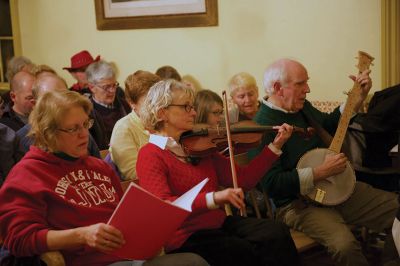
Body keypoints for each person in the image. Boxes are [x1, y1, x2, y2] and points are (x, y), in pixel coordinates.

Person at [0, 89, 209, 266]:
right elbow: (18, 239)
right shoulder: (28, 174)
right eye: (73, 129)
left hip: (130, 255)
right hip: (91, 262)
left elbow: (124, 214)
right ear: (47, 133)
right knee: (192, 262)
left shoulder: (98, 166)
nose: (84, 135)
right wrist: (81, 235)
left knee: (196, 257)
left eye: (85, 124)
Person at [248, 58, 399, 266]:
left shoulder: (301, 108)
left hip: (335, 187)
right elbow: (273, 185)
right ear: (277, 88)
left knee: (396, 211)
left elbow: (328, 125)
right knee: (344, 245)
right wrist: (319, 173)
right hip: (297, 205)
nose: (307, 89)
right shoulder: (260, 128)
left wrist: (358, 97)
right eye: (300, 84)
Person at [136, 79, 299, 266]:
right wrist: (212, 198)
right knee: (241, 251)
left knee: (276, 232)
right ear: (162, 113)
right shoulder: (150, 154)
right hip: (186, 236)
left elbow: (244, 180)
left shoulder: (198, 146)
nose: (194, 112)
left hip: (219, 224)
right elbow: (165, 206)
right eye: (186, 107)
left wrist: (275, 146)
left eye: (193, 107)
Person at [16, 74, 101, 158]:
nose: (62, 104)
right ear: (35, 105)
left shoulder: (81, 129)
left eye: (65, 97)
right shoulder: (23, 139)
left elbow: (98, 164)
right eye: (51, 101)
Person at [109, 70, 161, 181]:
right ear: (132, 103)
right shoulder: (123, 128)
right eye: (149, 101)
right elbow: (132, 174)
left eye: (160, 100)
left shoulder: (164, 120)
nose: (157, 106)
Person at [86, 60, 130, 150]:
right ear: (92, 87)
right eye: (106, 87)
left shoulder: (125, 105)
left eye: (114, 85)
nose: (112, 90)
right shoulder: (87, 113)